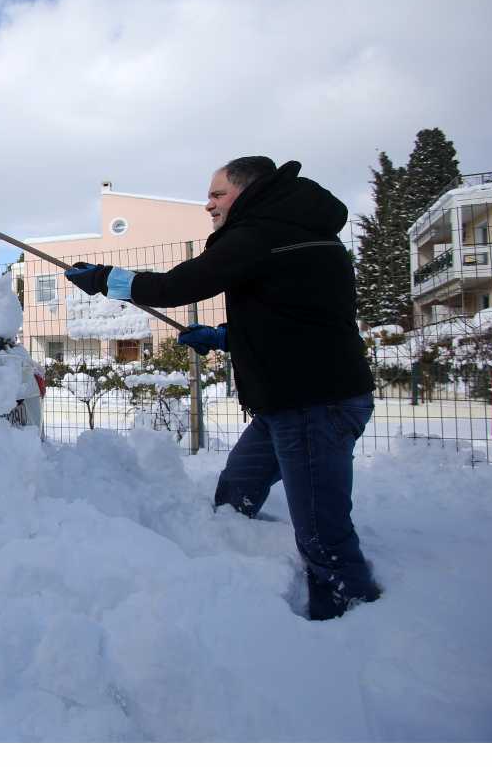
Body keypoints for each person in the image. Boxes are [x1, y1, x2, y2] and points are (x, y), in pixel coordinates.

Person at [64, 156, 379, 621]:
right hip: (287, 402)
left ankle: (351, 616)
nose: (207, 205)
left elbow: (178, 285)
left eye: (217, 194)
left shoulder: (263, 232)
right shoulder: (293, 232)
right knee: (236, 493)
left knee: (321, 531)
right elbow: (297, 319)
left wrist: (104, 279)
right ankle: (233, 559)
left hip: (315, 404)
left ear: (249, 191)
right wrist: (225, 337)